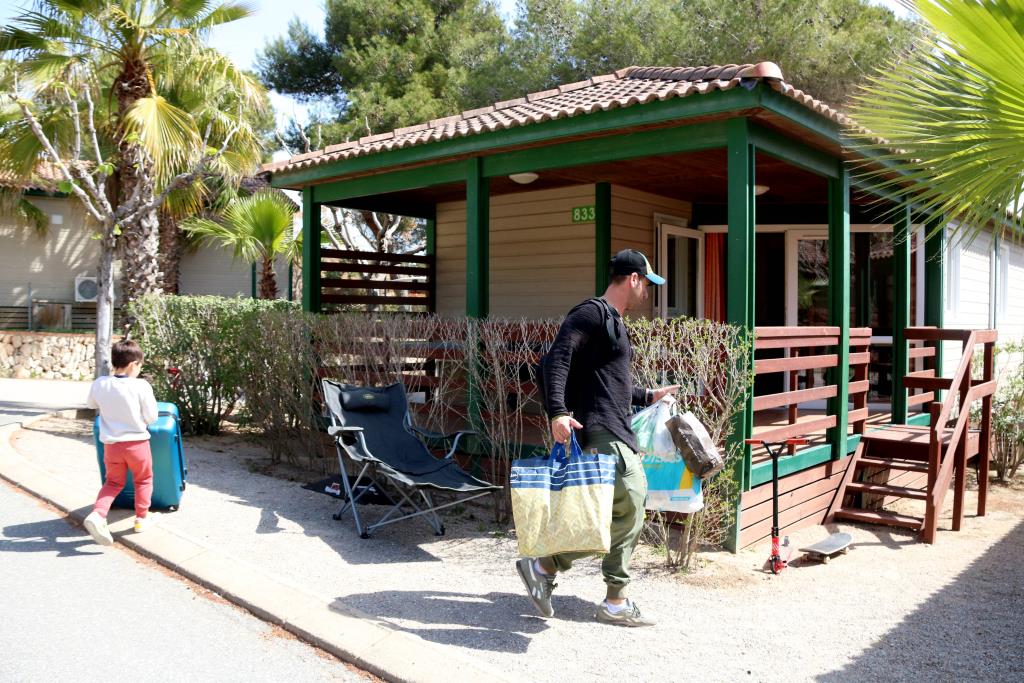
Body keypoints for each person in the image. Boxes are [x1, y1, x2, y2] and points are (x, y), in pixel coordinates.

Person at [517, 249, 678, 627]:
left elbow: (609, 384)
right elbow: (558, 358)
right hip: (601, 429)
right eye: (646, 286)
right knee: (633, 496)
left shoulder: (614, 323)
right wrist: (557, 411)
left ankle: (546, 567)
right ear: (633, 279)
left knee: (607, 513)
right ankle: (612, 599)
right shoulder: (591, 313)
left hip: (610, 423)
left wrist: (648, 396)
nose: (647, 295)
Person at [82, 340, 159, 546]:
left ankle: (98, 514)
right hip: (137, 444)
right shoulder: (141, 385)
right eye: (140, 366)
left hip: (112, 446)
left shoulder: (100, 383)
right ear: (133, 364)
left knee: (113, 483)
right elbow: (152, 417)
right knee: (143, 480)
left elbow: (91, 404)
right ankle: (142, 518)